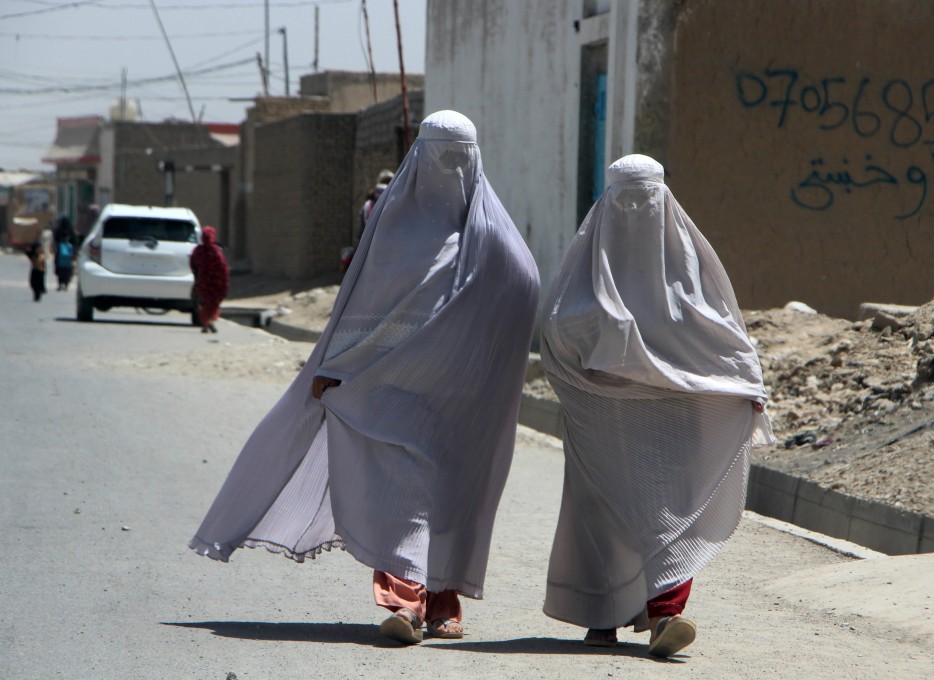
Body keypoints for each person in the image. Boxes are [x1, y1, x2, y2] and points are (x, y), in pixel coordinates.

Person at [189, 110, 540, 645]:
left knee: (448, 497)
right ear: (418, 157)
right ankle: (406, 600)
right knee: (404, 493)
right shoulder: (392, 231)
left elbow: (519, 299)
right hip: (390, 393)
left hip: (460, 400)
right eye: (440, 155)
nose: (449, 168)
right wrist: (335, 369)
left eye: (458, 157)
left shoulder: (494, 241)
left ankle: (440, 601)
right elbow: (362, 308)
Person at [539, 154, 775, 657]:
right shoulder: (589, 271)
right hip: (600, 415)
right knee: (600, 514)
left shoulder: (689, 271)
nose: (636, 209)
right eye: (626, 197)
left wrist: (746, 384)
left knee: (666, 513)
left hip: (668, 418)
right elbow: (556, 332)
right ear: (607, 201)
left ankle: (665, 614)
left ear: (663, 200)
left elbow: (723, 337)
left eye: (644, 198)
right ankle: (602, 615)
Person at [189, 226, 230, 333]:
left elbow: (193, 265)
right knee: (212, 302)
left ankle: (206, 322)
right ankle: (209, 321)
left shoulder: (198, 250)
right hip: (215, 282)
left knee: (201, 302)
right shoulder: (217, 251)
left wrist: (198, 275)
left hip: (202, 281)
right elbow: (223, 267)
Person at [356, 169, 394, 245]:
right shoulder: (368, 207)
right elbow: (362, 234)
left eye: (389, 183)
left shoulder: (396, 204)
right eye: (384, 183)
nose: (386, 186)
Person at [53, 217, 75, 291]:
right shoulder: (71, 231)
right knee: (67, 271)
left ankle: (60, 284)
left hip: (59, 253)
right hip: (68, 256)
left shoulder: (59, 230)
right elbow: (75, 241)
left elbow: (55, 239)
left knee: (60, 270)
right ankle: (66, 284)